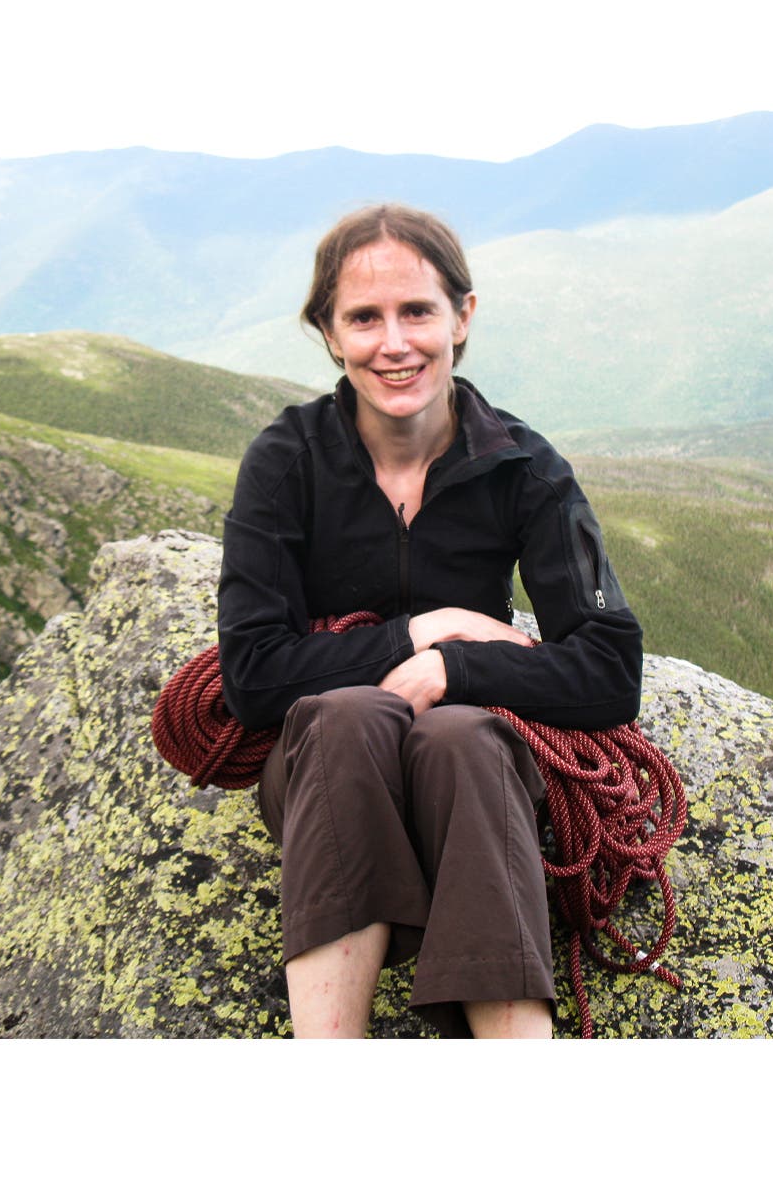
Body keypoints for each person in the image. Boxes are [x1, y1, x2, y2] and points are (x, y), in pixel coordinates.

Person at [216, 203, 642, 1039]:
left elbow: (609, 667)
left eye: (417, 310)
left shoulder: (525, 468)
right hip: (328, 767)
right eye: (363, 318)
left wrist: (456, 669)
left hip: (466, 771)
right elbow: (253, 677)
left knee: (462, 738)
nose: (395, 343)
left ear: (463, 316)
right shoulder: (285, 461)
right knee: (347, 716)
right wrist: (424, 630)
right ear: (329, 334)